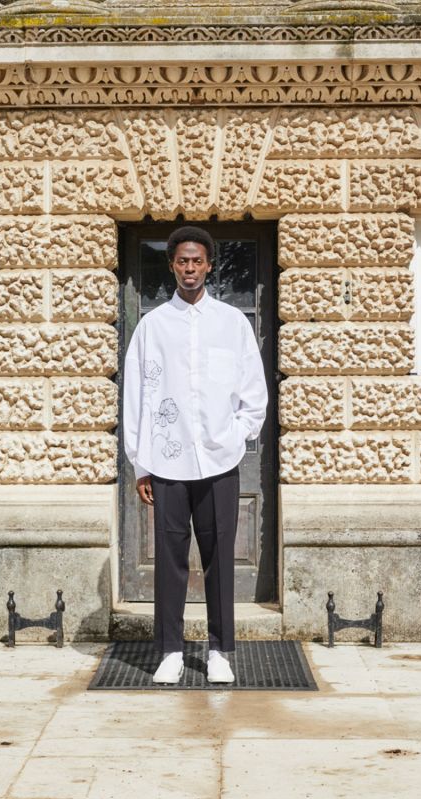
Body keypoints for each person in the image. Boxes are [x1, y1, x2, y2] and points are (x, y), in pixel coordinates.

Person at [123, 226, 268, 684]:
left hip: (219, 461)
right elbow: (137, 396)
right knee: (169, 557)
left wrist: (238, 434)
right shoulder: (152, 327)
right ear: (172, 266)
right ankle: (169, 651)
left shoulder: (232, 323)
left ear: (209, 265)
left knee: (220, 555)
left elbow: (253, 390)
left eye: (197, 261)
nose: (190, 268)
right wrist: (140, 461)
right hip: (167, 461)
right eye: (182, 261)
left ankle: (221, 650)